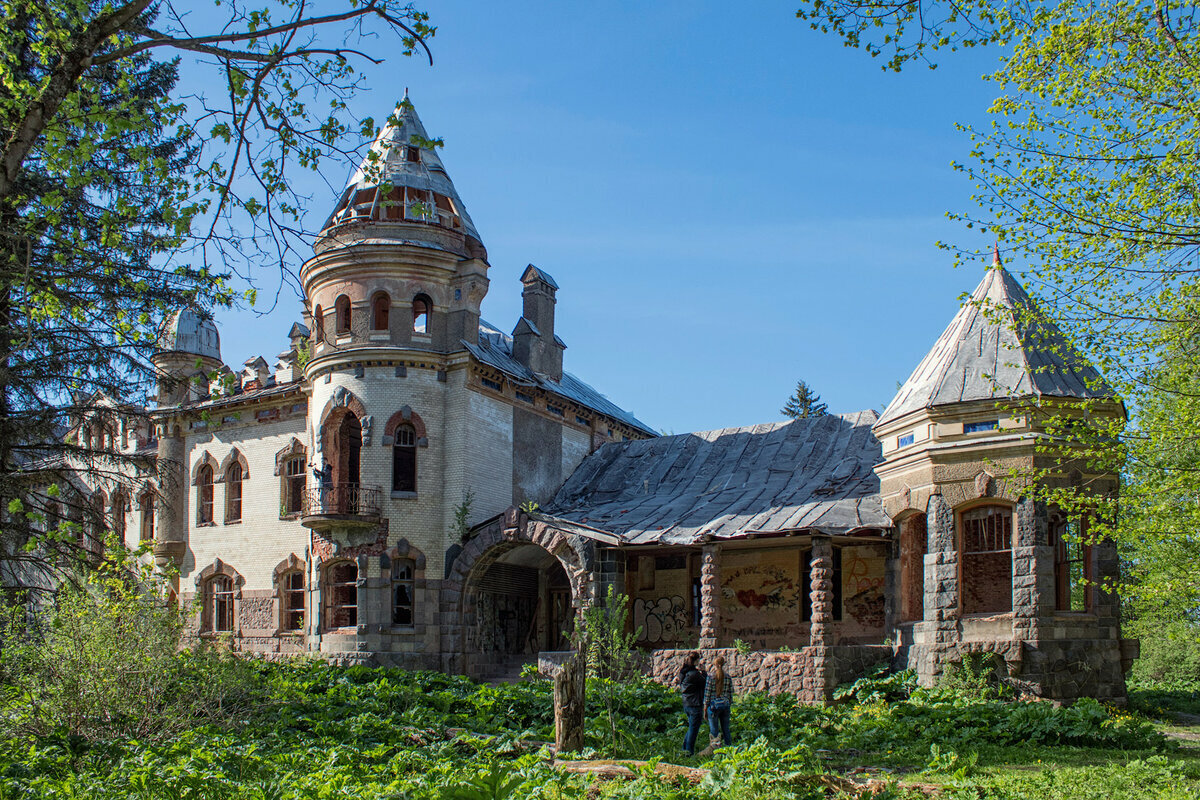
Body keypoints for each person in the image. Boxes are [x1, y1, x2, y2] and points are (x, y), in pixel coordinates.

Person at [678, 651, 707, 756]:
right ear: (696, 661)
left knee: (691, 727)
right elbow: (705, 682)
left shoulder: (683, 672)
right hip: (695, 704)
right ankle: (689, 752)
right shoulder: (694, 674)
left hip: (687, 703)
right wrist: (703, 671)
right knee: (693, 729)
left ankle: (684, 749)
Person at [703, 654, 735, 748]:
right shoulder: (728, 677)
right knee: (726, 729)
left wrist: (705, 709)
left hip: (713, 707)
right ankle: (729, 748)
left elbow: (707, 694)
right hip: (725, 706)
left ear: (715, 665)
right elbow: (730, 693)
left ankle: (715, 751)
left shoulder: (711, 677)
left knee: (714, 731)